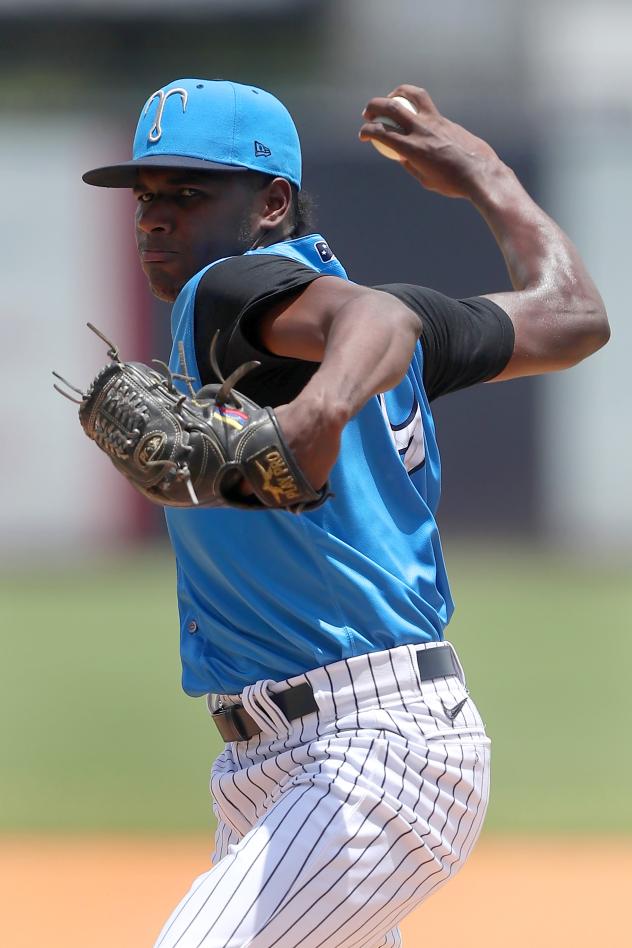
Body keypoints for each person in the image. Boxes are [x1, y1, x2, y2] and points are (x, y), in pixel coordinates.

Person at [82, 78, 609, 947]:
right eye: (146, 196)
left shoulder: (227, 293)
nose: (155, 218)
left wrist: (306, 420)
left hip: (365, 752)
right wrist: (486, 173)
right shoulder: (357, 329)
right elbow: (573, 315)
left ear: (272, 203)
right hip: (296, 761)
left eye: (188, 192)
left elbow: (373, 315)